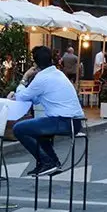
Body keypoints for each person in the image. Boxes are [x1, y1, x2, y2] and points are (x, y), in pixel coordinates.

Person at [10, 45, 86, 176]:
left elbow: (22, 96)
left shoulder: (42, 78)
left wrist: (24, 78)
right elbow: (38, 99)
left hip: (63, 121)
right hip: (75, 121)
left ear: (35, 63)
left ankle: (48, 162)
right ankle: (51, 163)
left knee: (19, 128)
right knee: (38, 130)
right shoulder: (58, 74)